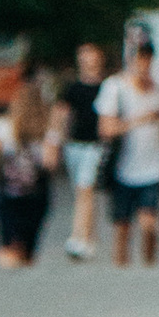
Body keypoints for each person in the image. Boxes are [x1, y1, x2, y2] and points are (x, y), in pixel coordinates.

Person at [97, 28, 159, 267]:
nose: (143, 64)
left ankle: (149, 265)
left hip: (154, 166)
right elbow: (106, 128)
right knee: (122, 224)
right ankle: (121, 266)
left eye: (147, 59)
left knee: (149, 222)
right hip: (123, 166)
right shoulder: (115, 88)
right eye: (138, 58)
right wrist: (139, 120)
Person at [0, 77, 60, 268]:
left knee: (8, 240)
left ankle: (9, 271)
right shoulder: (48, 129)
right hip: (36, 193)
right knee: (29, 245)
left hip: (9, 190)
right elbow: (50, 163)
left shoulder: (3, 125)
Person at [58, 40, 109, 259]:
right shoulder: (72, 87)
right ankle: (89, 236)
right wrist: (57, 138)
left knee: (85, 188)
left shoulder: (107, 86)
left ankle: (78, 236)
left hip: (96, 144)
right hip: (74, 144)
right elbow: (61, 113)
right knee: (83, 192)